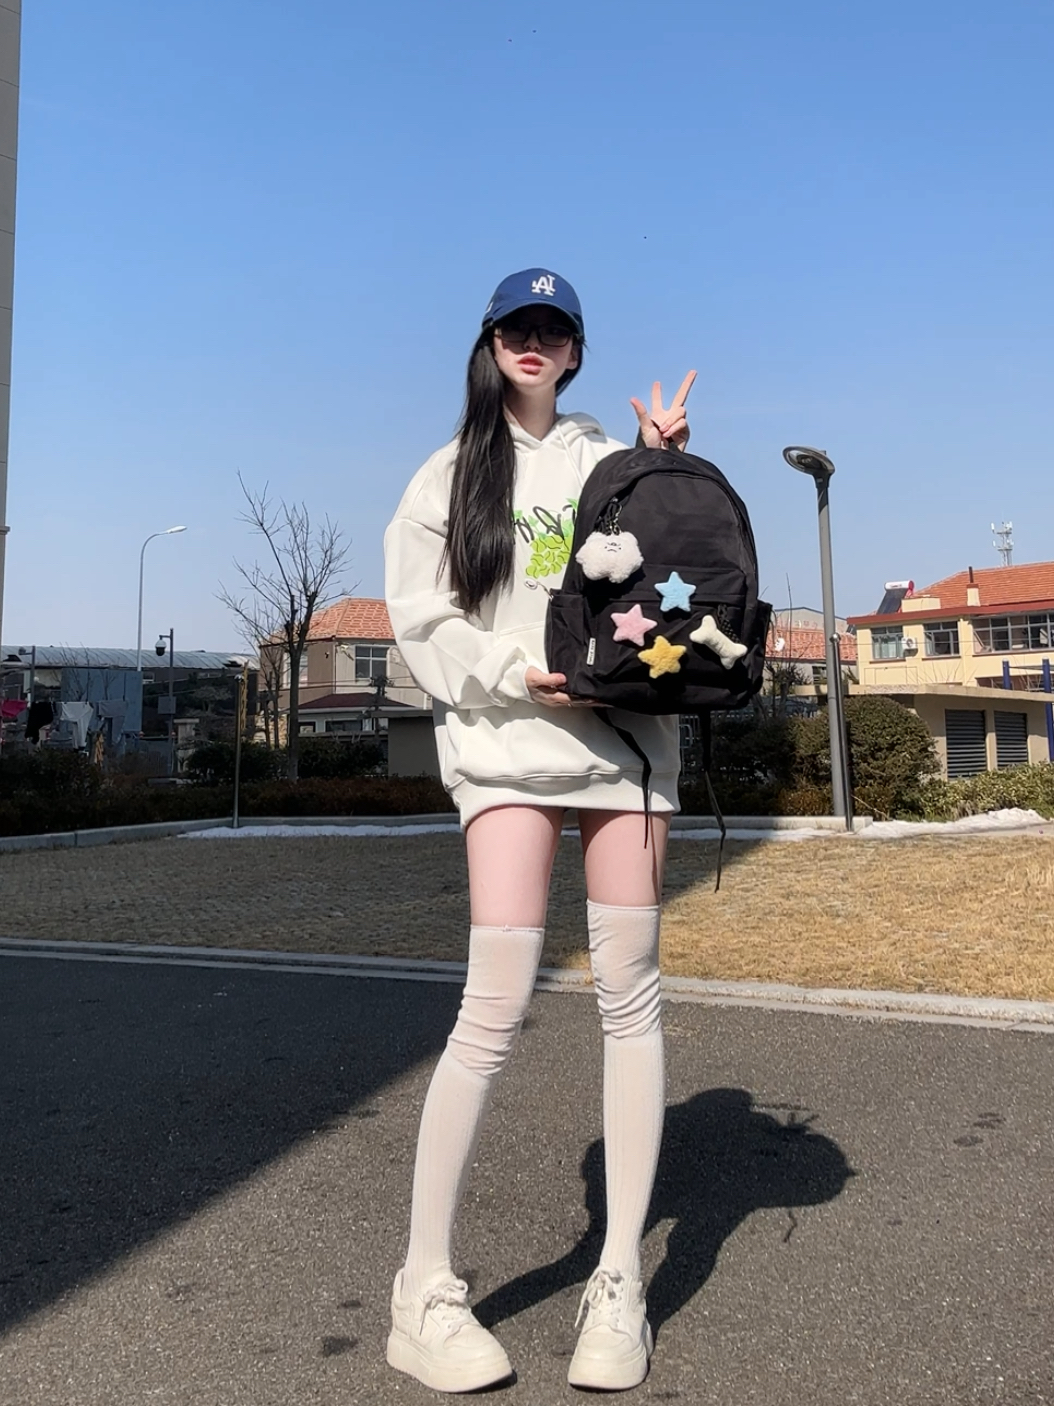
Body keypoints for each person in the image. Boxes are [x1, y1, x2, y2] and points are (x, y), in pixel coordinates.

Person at [383, 268, 694, 1393]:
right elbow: (420, 615)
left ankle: (619, 1278)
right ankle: (422, 1287)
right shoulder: (449, 471)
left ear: (574, 352)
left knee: (631, 995)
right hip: (508, 745)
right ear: (490, 342)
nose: (534, 340)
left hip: (622, 749)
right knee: (496, 1001)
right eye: (517, 324)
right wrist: (518, 671)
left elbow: (672, 573)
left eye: (554, 328)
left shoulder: (605, 459)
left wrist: (660, 464)